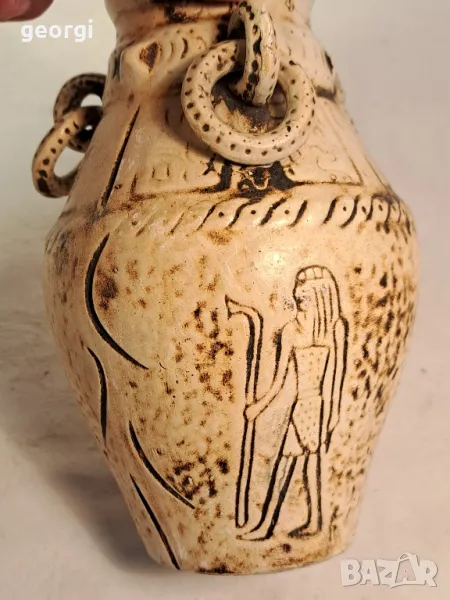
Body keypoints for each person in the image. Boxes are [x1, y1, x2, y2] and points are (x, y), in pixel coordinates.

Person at [240, 266, 348, 541]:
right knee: (290, 462)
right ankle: (269, 524)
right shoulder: (291, 330)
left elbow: (336, 377)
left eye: (304, 299)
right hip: (301, 407)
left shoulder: (335, 328)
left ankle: (307, 522)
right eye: (298, 299)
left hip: (318, 408)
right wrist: (260, 405)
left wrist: (332, 414)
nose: (299, 303)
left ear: (319, 298)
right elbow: (279, 380)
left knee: (307, 465)